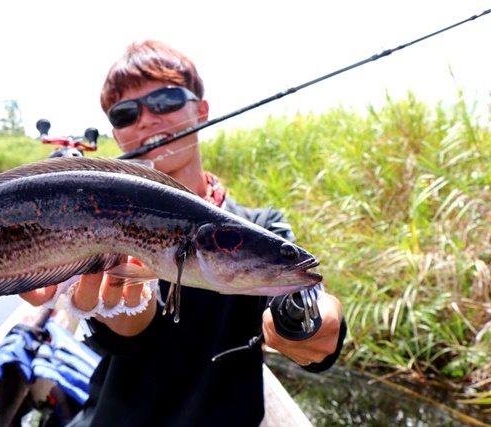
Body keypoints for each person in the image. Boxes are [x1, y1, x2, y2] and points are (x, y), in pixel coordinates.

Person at [21, 39, 345, 426]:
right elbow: (128, 332)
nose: (146, 119)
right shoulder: (102, 222)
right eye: (125, 113)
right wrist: (123, 311)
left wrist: (311, 324)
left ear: (201, 110)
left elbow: (306, 296)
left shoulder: (262, 227)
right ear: (117, 133)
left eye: (165, 101)